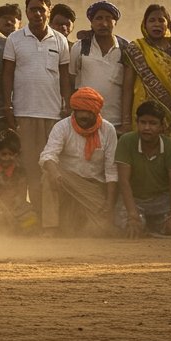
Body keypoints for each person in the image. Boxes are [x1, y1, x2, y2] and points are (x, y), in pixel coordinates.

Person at [2, 0, 72, 213]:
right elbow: (7, 75)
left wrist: (67, 106)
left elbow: (64, 78)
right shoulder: (15, 39)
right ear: (27, 11)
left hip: (52, 115)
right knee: (29, 167)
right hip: (25, 112)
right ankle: (29, 216)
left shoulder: (60, 40)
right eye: (33, 9)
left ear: (48, 11)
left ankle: (50, 219)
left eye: (42, 9)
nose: (37, 13)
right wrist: (8, 106)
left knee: (50, 168)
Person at [35, 88, 117, 235]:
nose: (83, 115)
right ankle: (50, 229)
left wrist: (110, 204)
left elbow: (111, 170)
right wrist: (54, 173)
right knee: (48, 176)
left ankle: (72, 222)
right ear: (74, 111)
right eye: (80, 112)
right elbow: (48, 155)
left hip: (93, 187)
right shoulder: (62, 126)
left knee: (100, 232)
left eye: (87, 113)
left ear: (96, 112)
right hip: (66, 182)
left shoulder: (108, 130)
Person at [115, 101, 171, 238]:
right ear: (136, 123)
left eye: (153, 123)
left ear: (162, 126)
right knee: (126, 224)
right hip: (135, 199)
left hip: (161, 200)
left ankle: (150, 225)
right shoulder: (126, 141)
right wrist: (132, 215)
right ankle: (148, 224)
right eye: (143, 122)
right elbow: (123, 181)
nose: (147, 128)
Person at [120, 4, 171, 134]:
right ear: (144, 24)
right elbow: (127, 87)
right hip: (141, 111)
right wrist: (126, 121)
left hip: (170, 111)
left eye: (161, 20)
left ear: (168, 24)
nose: (156, 24)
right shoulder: (135, 48)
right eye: (152, 20)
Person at [71, 0, 127, 134]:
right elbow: (70, 80)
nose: (104, 23)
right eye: (99, 18)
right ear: (91, 22)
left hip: (116, 121)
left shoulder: (126, 48)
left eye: (109, 18)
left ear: (115, 22)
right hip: (86, 119)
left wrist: (126, 122)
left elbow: (129, 87)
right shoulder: (80, 47)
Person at [0, 129, 37, 233]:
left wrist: (13, 211)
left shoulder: (20, 171)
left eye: (11, 154)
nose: (7, 158)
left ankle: (17, 230)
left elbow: (22, 196)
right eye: (3, 154)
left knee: (33, 217)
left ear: (16, 155)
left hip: (16, 207)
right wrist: (6, 212)